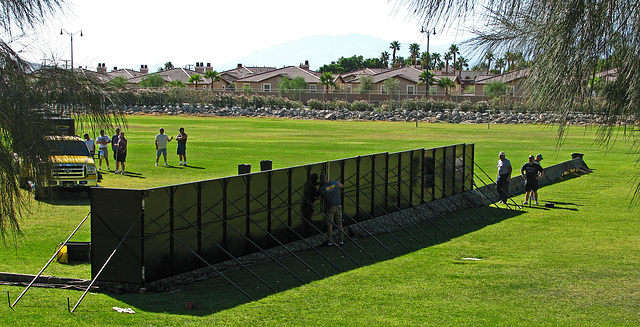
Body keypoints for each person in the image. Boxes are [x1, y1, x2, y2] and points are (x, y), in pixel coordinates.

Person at [318, 174, 344, 246]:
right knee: (340, 224)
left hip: (329, 207)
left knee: (329, 226)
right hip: (338, 206)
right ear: (327, 178)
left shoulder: (323, 188)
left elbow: (319, 194)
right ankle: (341, 241)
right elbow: (342, 185)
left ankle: (330, 242)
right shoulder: (334, 183)